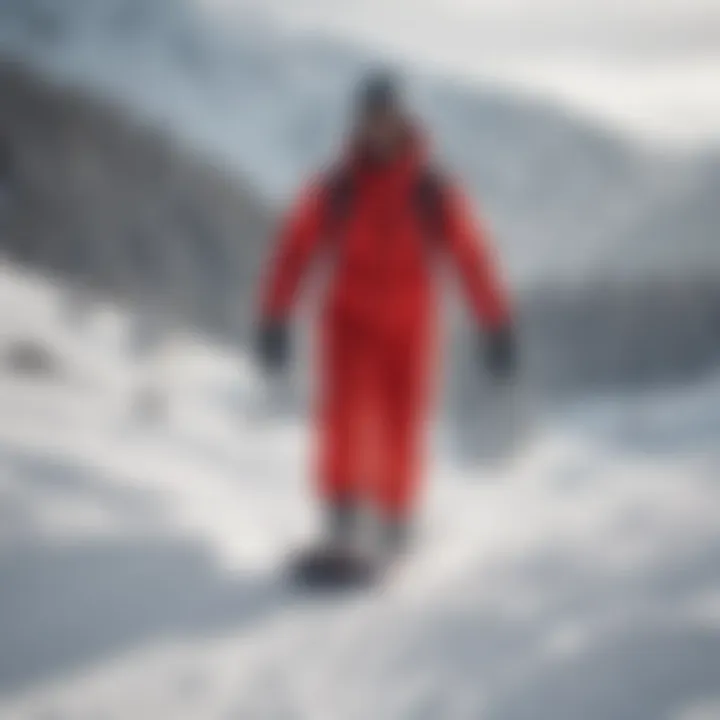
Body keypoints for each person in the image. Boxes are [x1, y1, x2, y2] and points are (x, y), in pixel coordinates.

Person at [256, 72, 516, 563]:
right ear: (359, 125)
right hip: (347, 322)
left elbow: (472, 257)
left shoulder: (433, 190)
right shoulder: (336, 187)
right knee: (342, 417)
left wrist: (495, 323)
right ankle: (342, 520)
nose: (379, 130)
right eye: (370, 120)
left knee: (402, 425)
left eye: (387, 119)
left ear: (403, 122)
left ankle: (397, 523)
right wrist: (275, 315)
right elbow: (294, 250)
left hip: (410, 329)